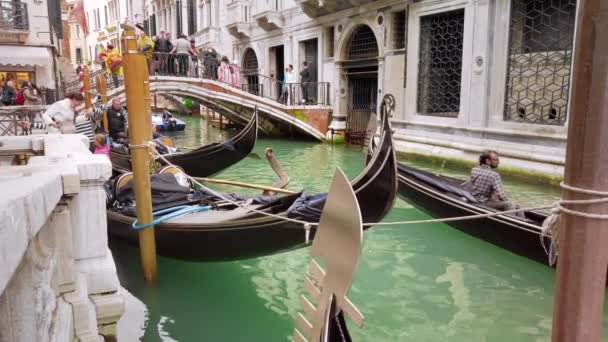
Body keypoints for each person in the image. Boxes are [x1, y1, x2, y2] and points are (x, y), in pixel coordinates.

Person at [467, 151, 523, 216]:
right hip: (484, 203)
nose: (498, 162)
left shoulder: (474, 170)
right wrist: (508, 202)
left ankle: (523, 221)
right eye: (495, 160)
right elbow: (501, 196)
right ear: (488, 161)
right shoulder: (494, 175)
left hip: (474, 199)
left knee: (516, 205)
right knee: (510, 204)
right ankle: (514, 222)